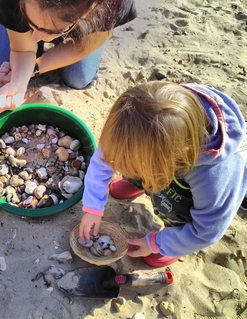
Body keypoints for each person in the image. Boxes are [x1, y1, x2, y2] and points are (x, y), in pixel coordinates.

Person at [79, 81, 247, 267]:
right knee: (130, 159)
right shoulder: (140, 122)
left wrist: (156, 243)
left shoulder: (214, 178)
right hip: (163, 160)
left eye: (134, 170)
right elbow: (104, 158)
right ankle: (139, 182)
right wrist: (93, 207)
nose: (120, 169)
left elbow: (207, 231)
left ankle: (171, 233)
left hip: (193, 180)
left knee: (176, 207)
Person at [0, 0, 137, 111]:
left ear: (88, 10)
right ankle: (16, 17)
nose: (35, 38)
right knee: (9, 64)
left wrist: (36, 67)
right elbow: (23, 50)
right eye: (32, 24)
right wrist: (18, 85)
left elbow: (88, 45)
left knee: (78, 78)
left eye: (50, 31)